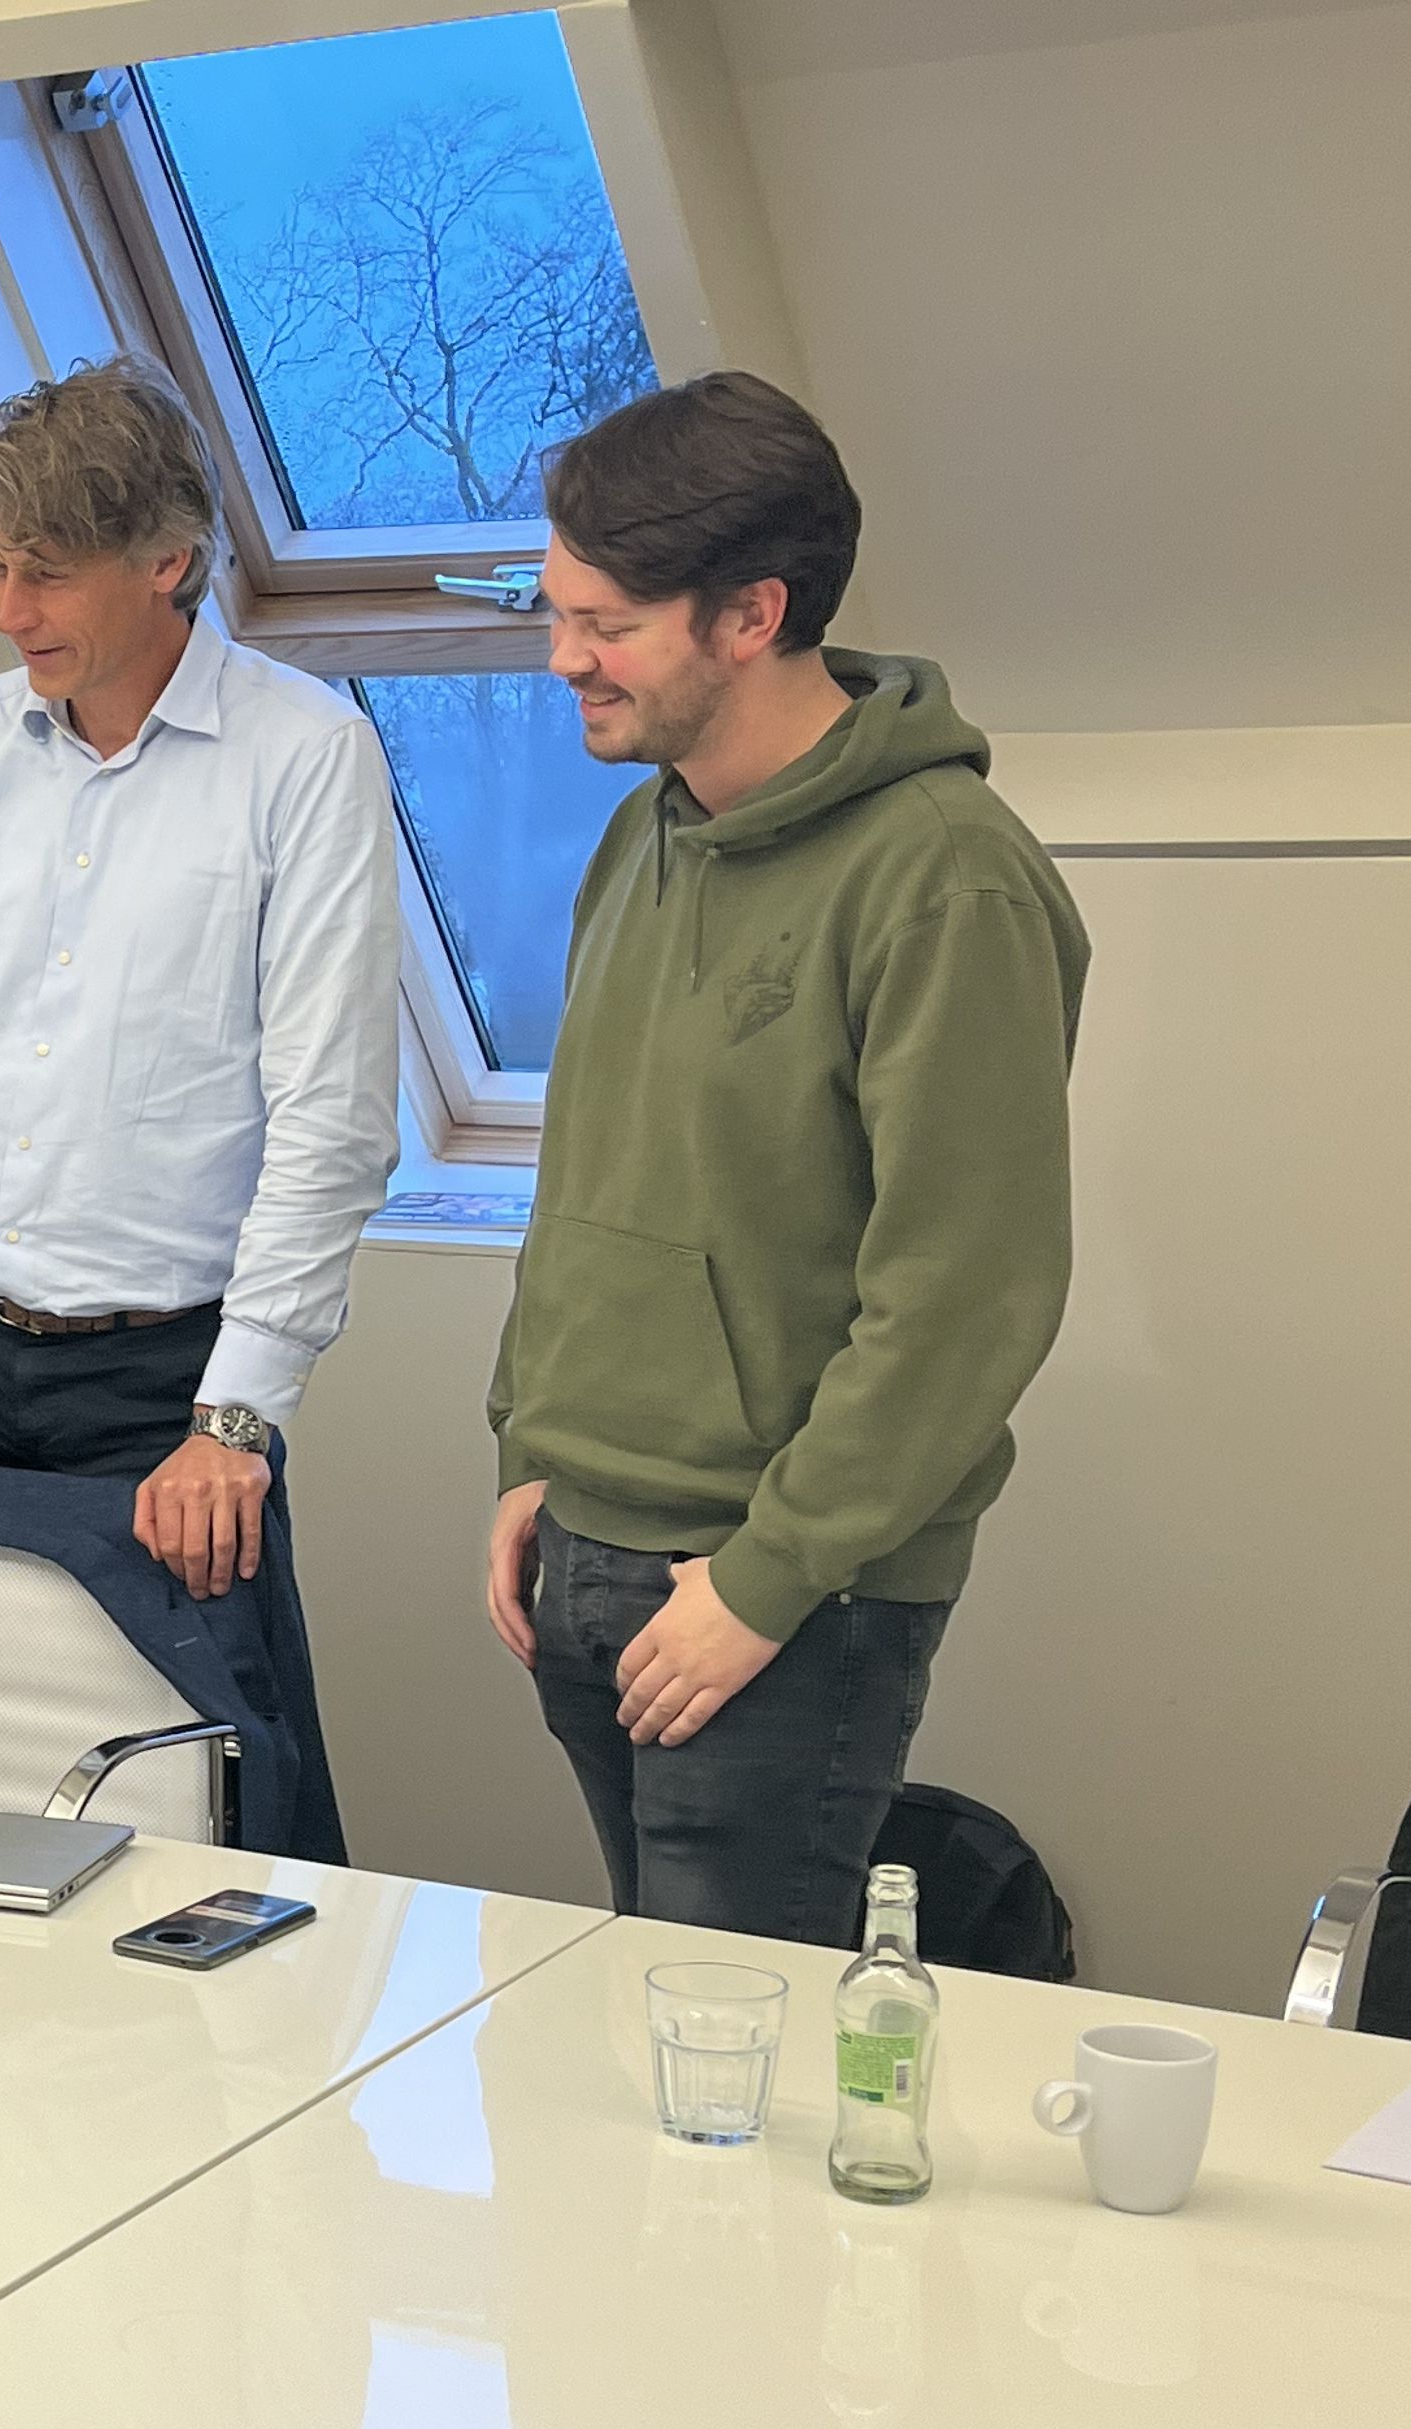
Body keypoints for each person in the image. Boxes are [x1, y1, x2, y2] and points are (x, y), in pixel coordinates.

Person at [481, 372, 1087, 1942]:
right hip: (584, 1543)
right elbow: (592, 1172)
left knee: (729, 2044)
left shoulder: (946, 881)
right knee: (644, 2020)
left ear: (752, 614)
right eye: (557, 613)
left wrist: (763, 1582)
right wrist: (531, 1451)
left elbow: (965, 1295)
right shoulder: (644, 831)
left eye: (607, 625)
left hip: (782, 1593)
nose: (564, 659)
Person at [0, 355, 402, 1607]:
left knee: (178, 1723)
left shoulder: (306, 758)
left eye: (48, 573)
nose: (8, 611)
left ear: (168, 559)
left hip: (166, 1387)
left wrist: (235, 1417)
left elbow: (331, 1121)